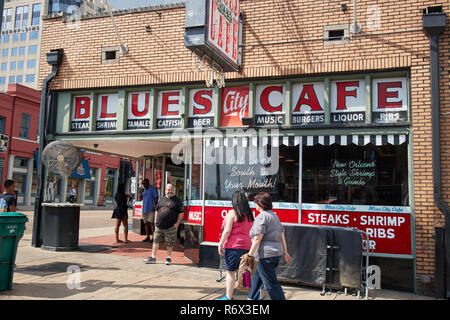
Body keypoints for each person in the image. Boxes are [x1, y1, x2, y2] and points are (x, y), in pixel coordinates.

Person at [247, 192, 291, 300]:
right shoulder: (274, 216)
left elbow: (258, 238)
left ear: (260, 204)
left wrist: (249, 255)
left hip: (264, 256)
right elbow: (282, 235)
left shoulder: (262, 217)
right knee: (257, 280)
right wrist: (285, 252)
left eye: (256, 203)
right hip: (275, 254)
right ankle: (251, 298)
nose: (255, 206)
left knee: (271, 284)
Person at [216, 190, 254, 300]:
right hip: (247, 247)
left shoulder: (232, 213)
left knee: (230, 272)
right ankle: (251, 296)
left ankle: (228, 297)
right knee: (246, 272)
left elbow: (227, 230)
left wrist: (220, 244)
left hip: (233, 247)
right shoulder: (250, 215)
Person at [143, 184, 183, 265]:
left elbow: (181, 214)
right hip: (159, 225)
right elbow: (157, 210)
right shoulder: (162, 199)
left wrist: (177, 224)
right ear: (165, 190)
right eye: (168, 189)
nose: (170, 191)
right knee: (155, 241)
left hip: (170, 226)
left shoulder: (177, 201)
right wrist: (155, 221)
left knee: (169, 243)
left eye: (171, 189)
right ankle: (153, 257)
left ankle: (168, 258)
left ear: (173, 190)